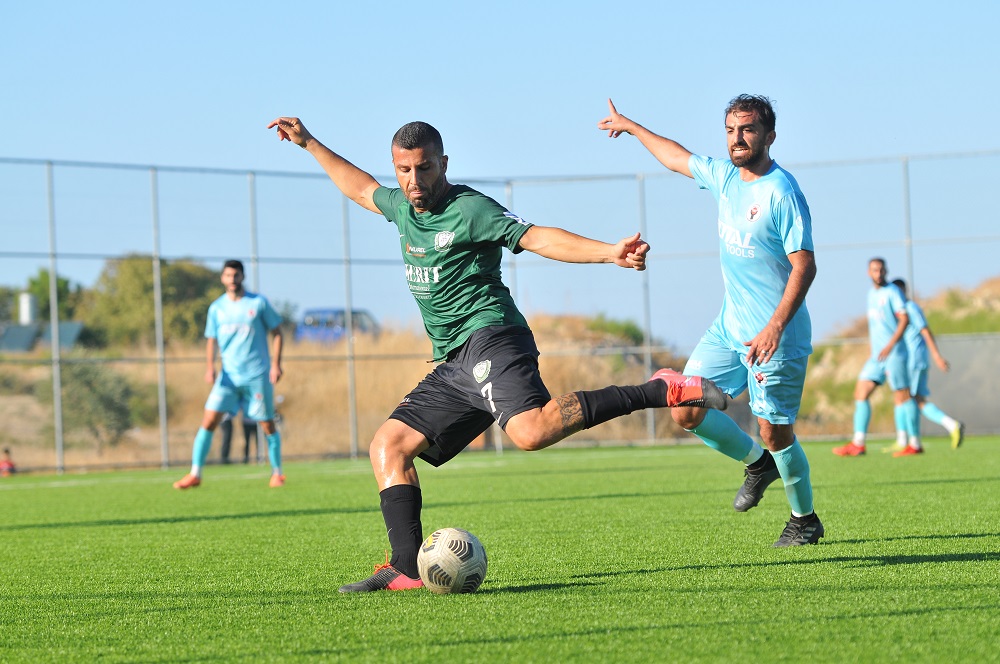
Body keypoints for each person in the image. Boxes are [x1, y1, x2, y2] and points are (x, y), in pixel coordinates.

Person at [268, 115, 728, 592]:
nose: (413, 180)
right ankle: (405, 568)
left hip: (493, 336)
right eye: (403, 170)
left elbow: (536, 237)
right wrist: (309, 143)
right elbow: (361, 189)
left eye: (424, 168)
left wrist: (608, 252)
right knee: (389, 446)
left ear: (443, 164)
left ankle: (660, 389)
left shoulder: (470, 209)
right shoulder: (403, 208)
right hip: (454, 362)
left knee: (531, 432)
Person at [599, 95, 823, 547]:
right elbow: (676, 156)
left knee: (775, 431)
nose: (737, 139)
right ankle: (757, 465)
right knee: (684, 406)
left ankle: (805, 520)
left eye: (748, 130)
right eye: (730, 130)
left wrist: (775, 326)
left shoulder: (782, 192)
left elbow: (805, 266)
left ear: (769, 136)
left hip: (776, 339)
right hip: (729, 328)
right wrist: (633, 127)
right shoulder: (725, 178)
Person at [173, 259, 286, 489]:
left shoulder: (258, 303)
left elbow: (277, 333)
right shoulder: (216, 308)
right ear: (222, 278)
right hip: (228, 377)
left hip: (256, 375)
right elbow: (211, 340)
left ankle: (277, 473)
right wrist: (210, 367)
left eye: (236, 275)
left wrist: (276, 364)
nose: (232, 280)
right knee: (208, 420)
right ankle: (195, 473)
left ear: (242, 277)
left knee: (266, 423)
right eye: (228, 275)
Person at [832, 258, 918, 457]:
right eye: (874, 270)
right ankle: (858, 443)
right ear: (868, 273)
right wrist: (874, 349)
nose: (878, 273)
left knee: (903, 395)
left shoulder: (893, 292)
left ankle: (914, 443)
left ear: (886, 271)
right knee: (861, 392)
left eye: (881, 270)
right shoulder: (871, 294)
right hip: (877, 356)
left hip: (894, 353)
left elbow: (904, 319)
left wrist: (890, 345)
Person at [892, 278, 964, 451]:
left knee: (910, 398)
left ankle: (947, 427)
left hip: (915, 360)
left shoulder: (910, 308)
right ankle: (904, 440)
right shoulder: (899, 311)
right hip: (911, 360)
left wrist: (937, 356)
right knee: (909, 398)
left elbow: (925, 331)